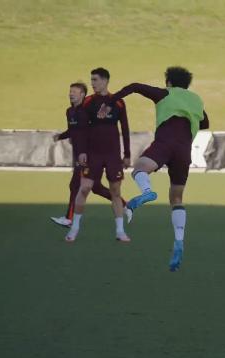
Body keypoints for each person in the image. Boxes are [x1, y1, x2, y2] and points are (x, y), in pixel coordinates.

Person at [98, 66, 209, 271]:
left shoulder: (165, 93)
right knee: (177, 198)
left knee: (139, 170)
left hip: (165, 142)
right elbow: (205, 123)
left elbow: (135, 86)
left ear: (169, 82)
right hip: (184, 149)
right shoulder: (196, 100)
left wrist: (109, 103)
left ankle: (147, 192)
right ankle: (179, 240)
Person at [65, 68, 131, 242]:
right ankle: (74, 228)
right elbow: (81, 128)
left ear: (105, 81)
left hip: (112, 155)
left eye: (95, 80)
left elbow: (125, 129)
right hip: (92, 154)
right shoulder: (87, 102)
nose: (92, 83)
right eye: (92, 80)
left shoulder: (118, 103)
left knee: (115, 192)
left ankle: (120, 231)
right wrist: (81, 151)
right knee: (84, 188)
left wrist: (127, 154)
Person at [50, 82, 124, 227]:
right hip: (77, 154)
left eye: (74, 92)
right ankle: (126, 205)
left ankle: (69, 219)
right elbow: (72, 130)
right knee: (96, 187)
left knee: (75, 185)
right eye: (70, 91)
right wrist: (60, 136)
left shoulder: (87, 111)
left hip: (88, 156)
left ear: (82, 94)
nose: (71, 94)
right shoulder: (69, 112)